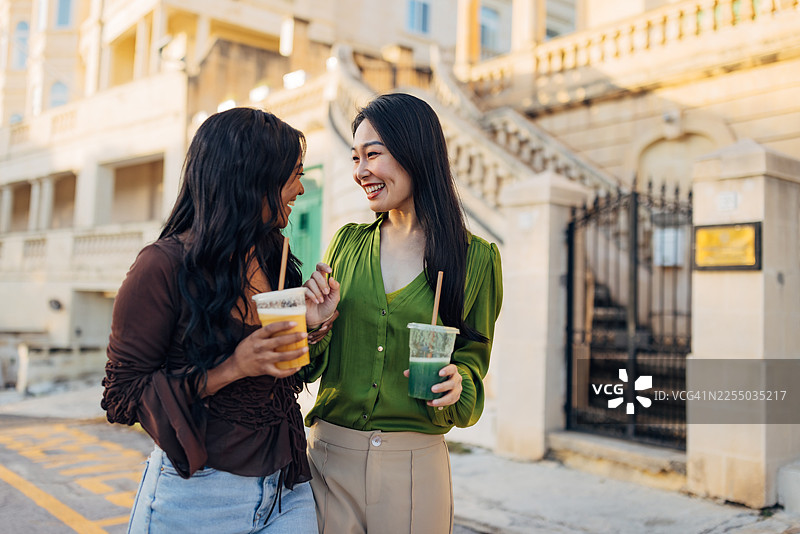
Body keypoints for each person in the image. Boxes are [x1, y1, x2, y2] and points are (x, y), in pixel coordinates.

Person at [101, 107, 339, 534]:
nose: (301, 189)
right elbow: (123, 394)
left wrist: (311, 326)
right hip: (198, 498)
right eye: (293, 175)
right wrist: (233, 367)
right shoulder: (161, 267)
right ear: (251, 177)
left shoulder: (277, 260)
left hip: (288, 491)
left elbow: (281, 375)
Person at [301, 93, 503, 534]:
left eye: (373, 154)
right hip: (330, 463)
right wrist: (315, 327)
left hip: (416, 470)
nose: (360, 172)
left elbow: (472, 365)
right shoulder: (347, 244)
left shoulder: (477, 260)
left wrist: (458, 384)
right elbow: (311, 368)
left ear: (415, 151)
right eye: (355, 158)